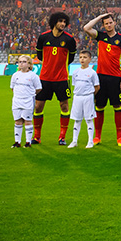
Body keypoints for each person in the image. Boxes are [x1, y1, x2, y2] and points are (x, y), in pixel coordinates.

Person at [83, 12, 121, 147]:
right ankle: (97, 136)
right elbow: (86, 28)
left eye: (110, 22)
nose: (109, 25)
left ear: (114, 23)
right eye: (106, 23)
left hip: (115, 77)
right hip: (100, 77)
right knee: (99, 107)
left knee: (117, 106)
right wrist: (100, 16)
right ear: (103, 25)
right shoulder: (100, 36)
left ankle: (119, 137)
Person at [33, 11, 77, 145]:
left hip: (61, 79)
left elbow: (70, 58)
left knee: (64, 106)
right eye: (60, 21)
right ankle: (37, 137)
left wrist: (59, 67)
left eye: (65, 22)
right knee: (38, 107)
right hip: (44, 78)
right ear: (54, 22)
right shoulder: (43, 38)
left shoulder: (69, 40)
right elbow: (40, 56)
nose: (63, 24)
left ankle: (62, 137)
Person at [68, 50, 100, 149]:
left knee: (89, 119)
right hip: (77, 97)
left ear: (89, 59)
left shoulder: (92, 73)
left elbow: (97, 87)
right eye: (81, 57)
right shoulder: (75, 72)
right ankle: (74, 141)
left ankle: (90, 141)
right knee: (77, 120)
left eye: (85, 57)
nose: (82, 59)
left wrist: (90, 94)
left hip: (88, 97)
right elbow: (74, 85)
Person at [10, 55, 41, 148]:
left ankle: (28, 142)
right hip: (16, 101)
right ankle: (17, 142)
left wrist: (29, 94)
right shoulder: (15, 75)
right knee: (17, 121)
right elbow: (12, 88)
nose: (21, 64)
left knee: (28, 121)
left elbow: (38, 88)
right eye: (20, 62)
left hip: (28, 101)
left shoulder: (33, 76)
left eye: (24, 62)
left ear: (29, 64)